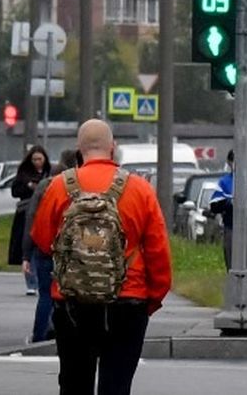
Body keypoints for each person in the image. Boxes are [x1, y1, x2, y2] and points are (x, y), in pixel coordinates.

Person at [32, 119, 172, 395]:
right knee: (116, 385)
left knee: (74, 382)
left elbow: (43, 240)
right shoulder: (139, 189)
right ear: (113, 147)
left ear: (78, 149)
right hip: (128, 299)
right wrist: (151, 300)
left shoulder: (60, 187)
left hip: (72, 301)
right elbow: (158, 252)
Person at [22, 149, 79, 343]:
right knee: (69, 296)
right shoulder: (79, 185)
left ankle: (39, 335)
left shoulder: (46, 185)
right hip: (71, 250)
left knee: (45, 294)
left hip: (45, 247)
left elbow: (32, 218)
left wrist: (26, 254)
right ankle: (64, 333)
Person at [10, 145, 52, 293]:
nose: (37, 162)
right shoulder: (24, 173)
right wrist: (28, 186)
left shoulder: (49, 173)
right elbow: (14, 191)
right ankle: (31, 283)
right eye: (34, 159)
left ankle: (41, 279)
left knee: (41, 247)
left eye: (40, 159)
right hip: (26, 213)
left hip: (44, 212)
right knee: (28, 247)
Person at [208, 150, 235, 269]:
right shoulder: (225, 182)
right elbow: (214, 206)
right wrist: (230, 203)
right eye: (236, 161)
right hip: (231, 228)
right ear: (230, 163)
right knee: (232, 264)